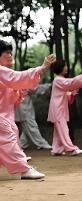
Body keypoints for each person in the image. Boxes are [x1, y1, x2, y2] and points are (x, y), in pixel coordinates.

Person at [0, 39, 55, 179]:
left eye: (11, 52)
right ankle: (24, 169)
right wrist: (41, 68)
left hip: (5, 116)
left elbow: (11, 95)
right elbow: (16, 77)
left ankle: (21, 161)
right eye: (7, 52)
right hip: (2, 117)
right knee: (8, 138)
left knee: (12, 133)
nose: (10, 55)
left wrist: (19, 91)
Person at [47, 60, 82, 156]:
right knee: (63, 130)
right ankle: (71, 149)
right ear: (61, 68)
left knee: (58, 131)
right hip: (58, 109)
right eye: (65, 66)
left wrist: (71, 94)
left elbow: (64, 91)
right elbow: (70, 83)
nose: (67, 68)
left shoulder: (58, 80)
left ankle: (57, 149)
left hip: (59, 108)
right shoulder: (58, 80)